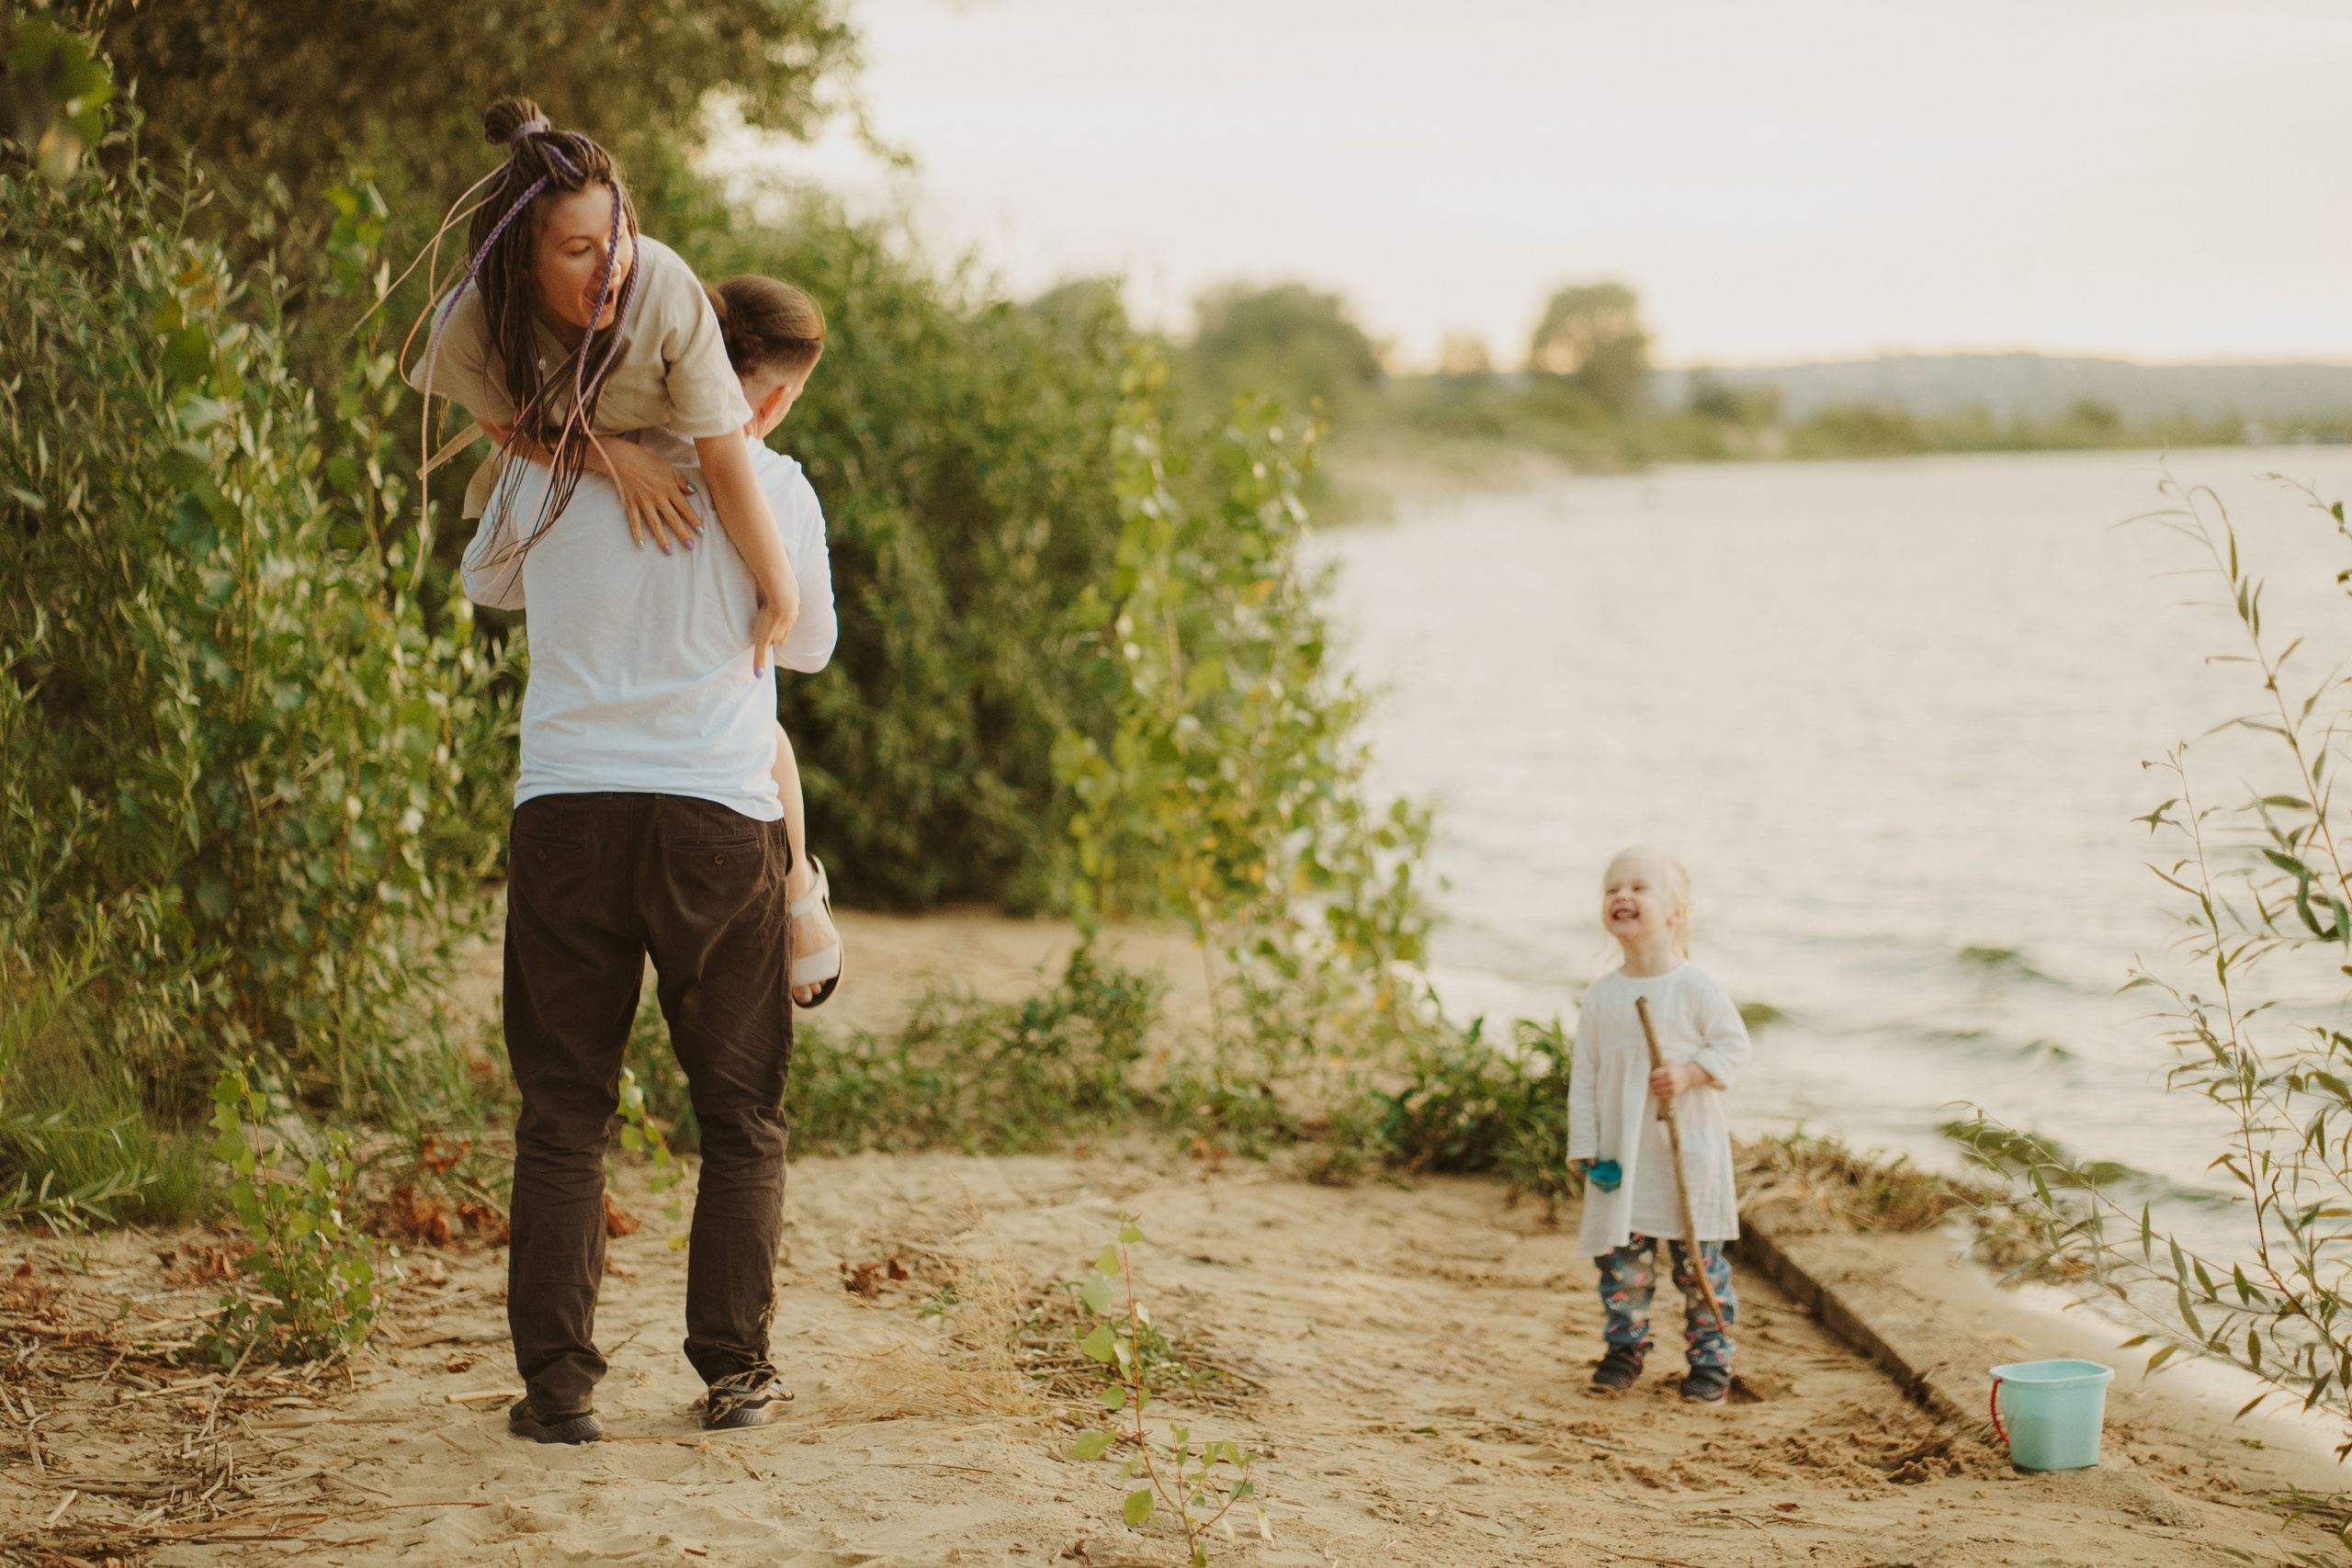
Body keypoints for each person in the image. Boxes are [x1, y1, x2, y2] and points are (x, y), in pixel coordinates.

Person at [1567, 848, 1753, 1405]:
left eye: (1639, 888)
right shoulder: (1603, 994)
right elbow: (1586, 1074)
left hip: (1684, 1153)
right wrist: (1583, 1143)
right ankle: (1625, 1348)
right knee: (1622, 1262)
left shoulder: (1695, 986)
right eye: (1612, 889)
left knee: (1698, 1263)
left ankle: (1710, 1360)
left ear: (1675, 911)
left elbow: (1734, 1046)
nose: (1622, 897)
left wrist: (1691, 1073)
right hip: (1622, 1154)